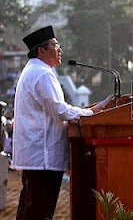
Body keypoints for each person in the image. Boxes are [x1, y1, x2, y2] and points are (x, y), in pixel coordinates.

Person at [12, 26, 111, 220]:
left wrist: (86, 111)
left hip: (37, 155)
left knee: (29, 208)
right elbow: (59, 110)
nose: (60, 50)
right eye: (55, 45)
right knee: (39, 210)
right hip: (43, 157)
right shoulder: (42, 74)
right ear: (42, 50)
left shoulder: (34, 70)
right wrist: (92, 112)